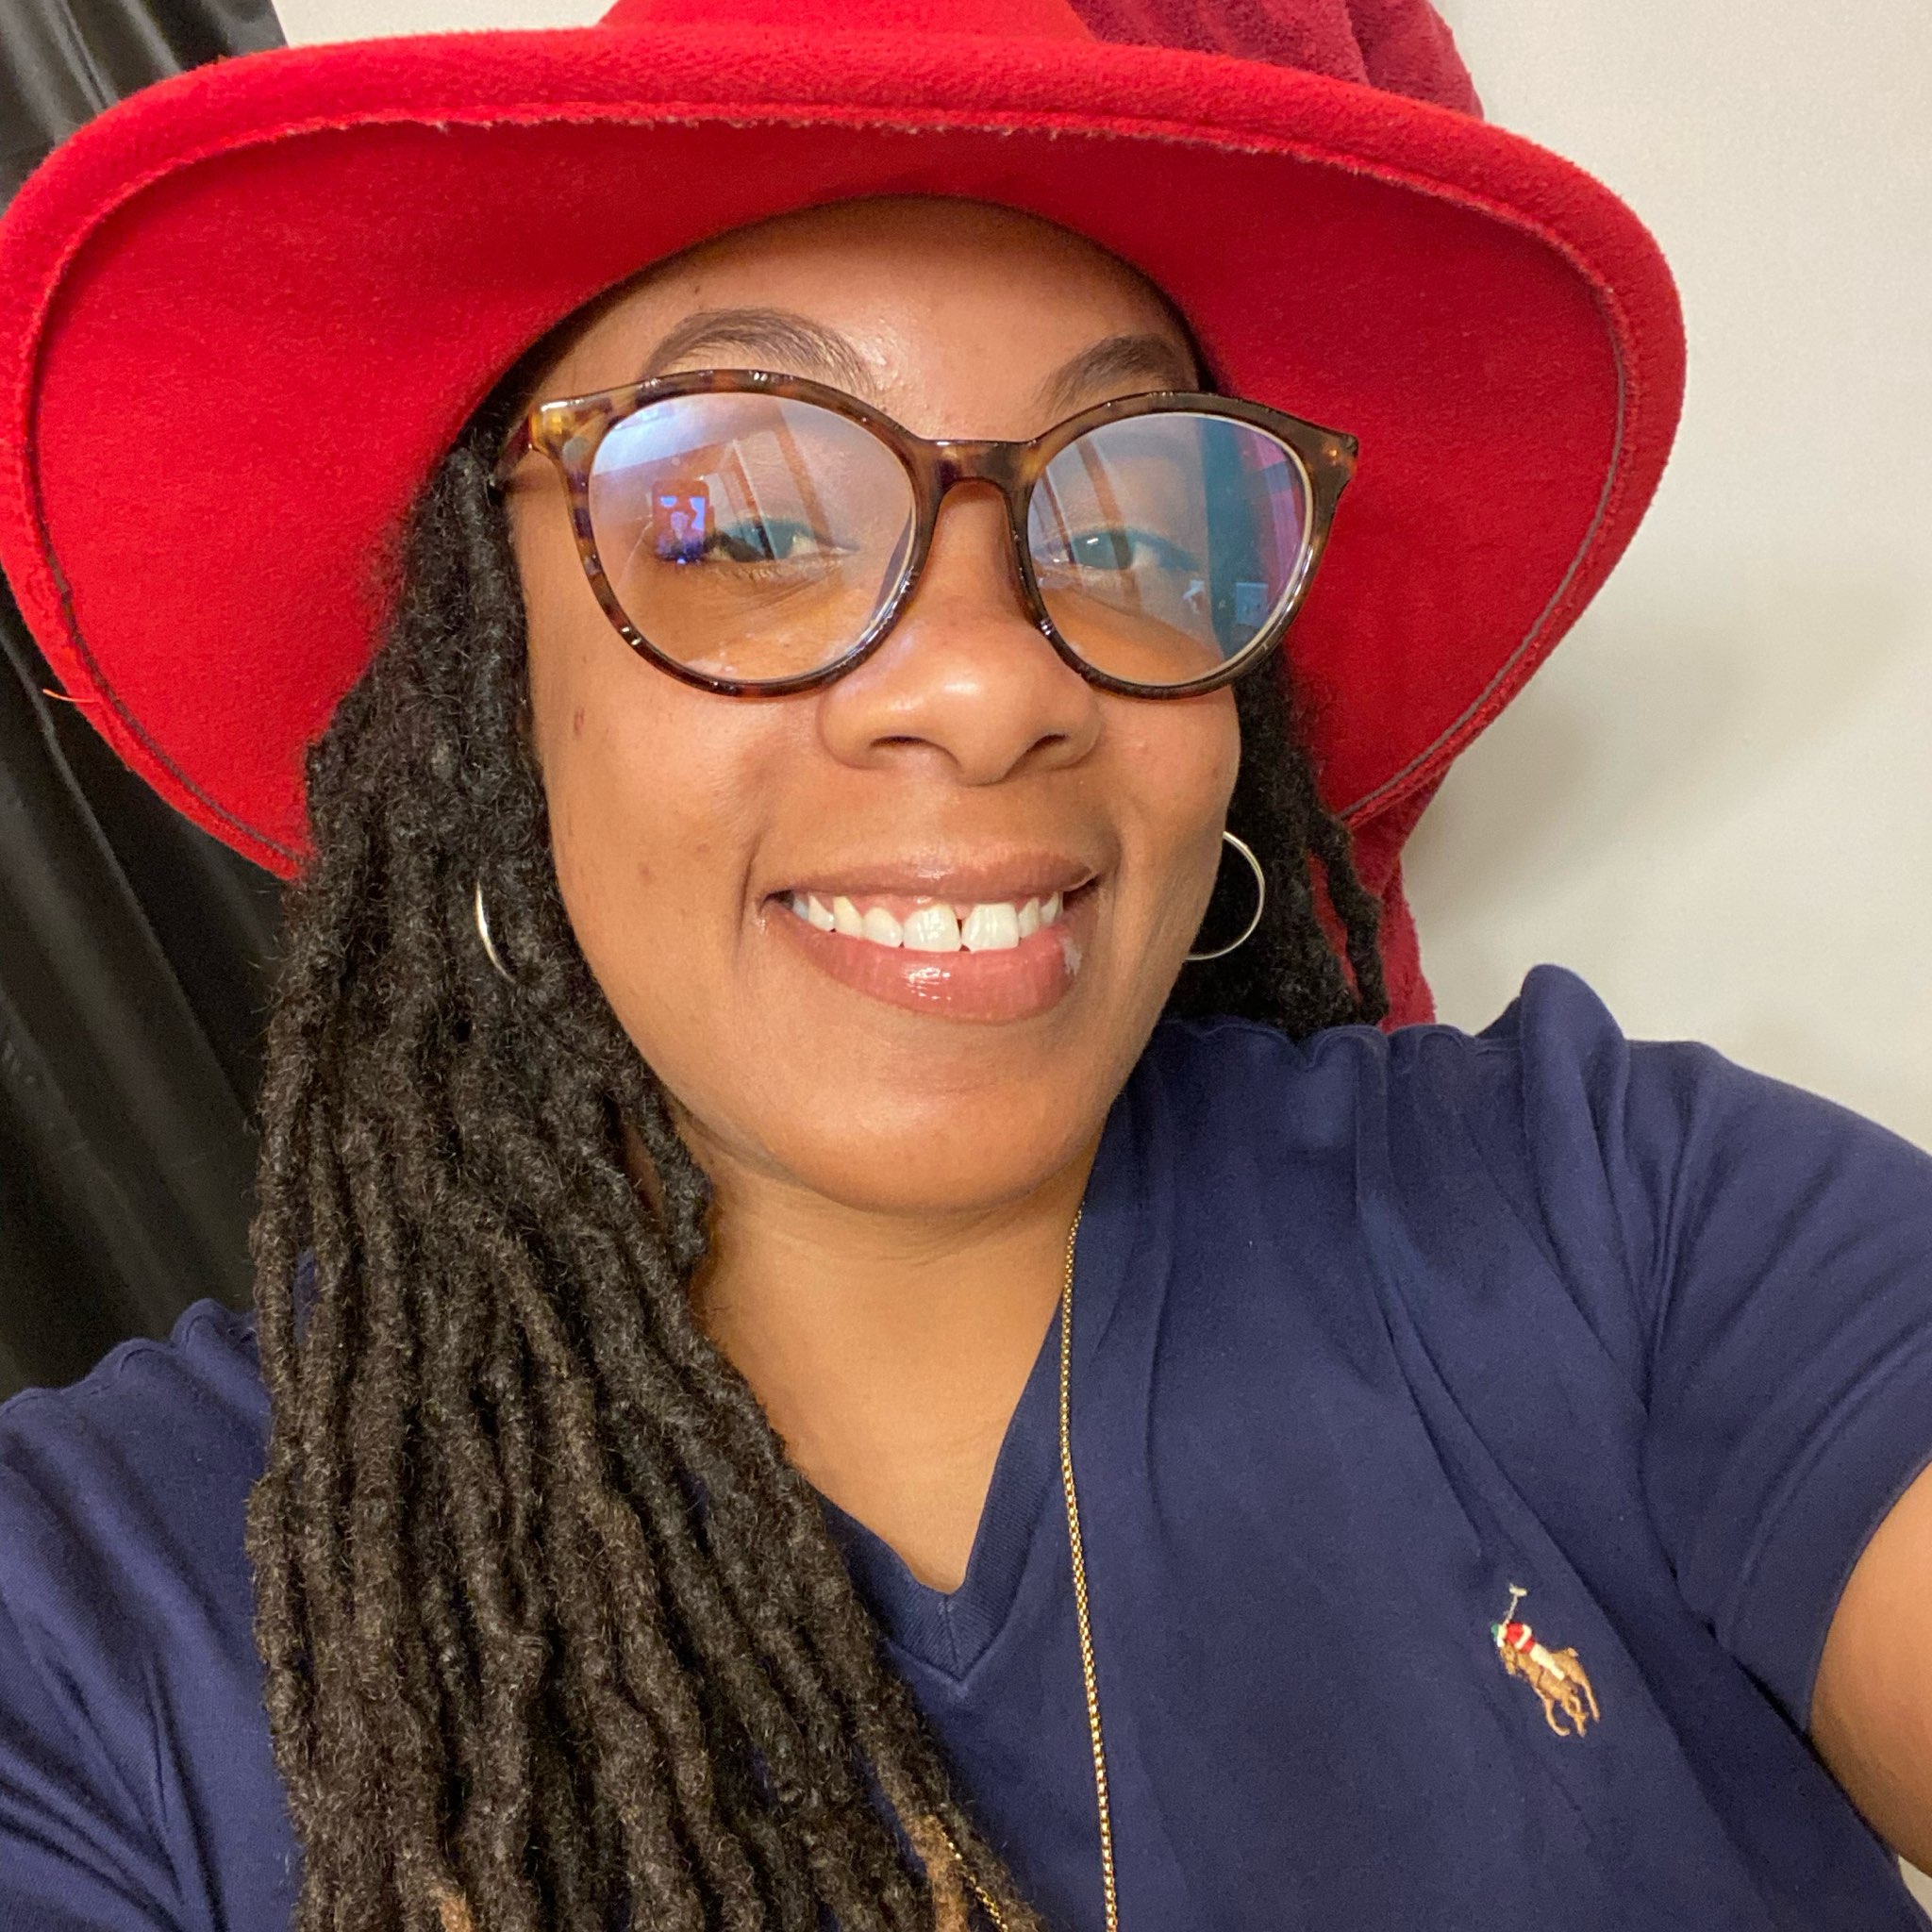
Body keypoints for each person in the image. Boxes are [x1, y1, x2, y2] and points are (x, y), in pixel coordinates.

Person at [0, 0, 1926, 1927]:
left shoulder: (1619, 1220)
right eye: (737, 516)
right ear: (487, 683)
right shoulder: (97, 1632)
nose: (996, 683)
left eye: (1144, 520)